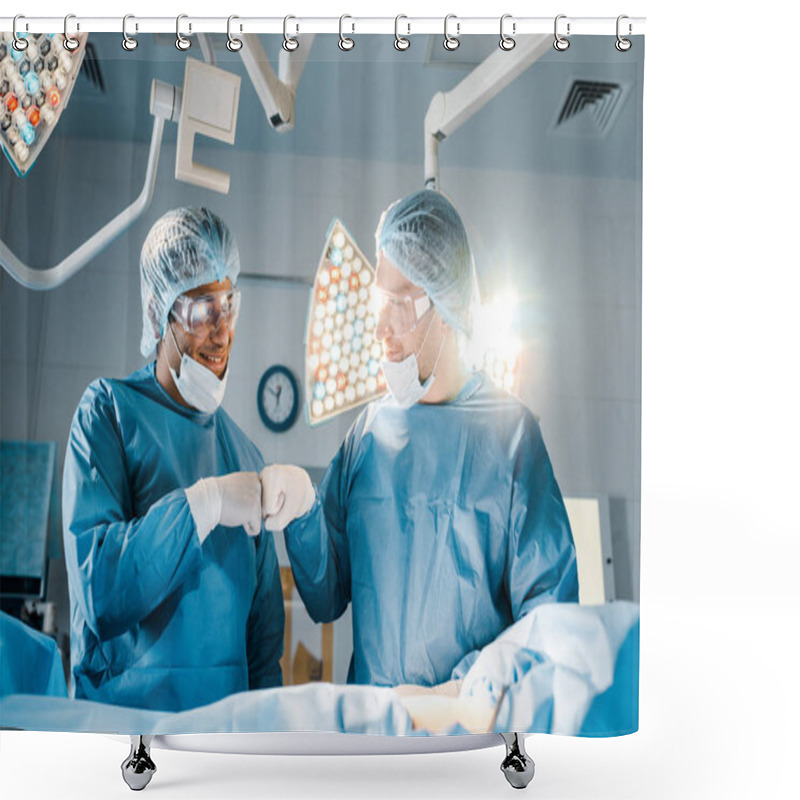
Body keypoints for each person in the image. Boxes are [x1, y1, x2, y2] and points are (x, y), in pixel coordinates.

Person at [260, 189, 578, 688]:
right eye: (378, 304)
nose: (383, 328)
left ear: (446, 306)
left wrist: (472, 687)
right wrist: (302, 514)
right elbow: (324, 598)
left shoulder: (512, 438)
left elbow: (550, 614)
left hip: (470, 733)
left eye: (401, 307)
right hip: (373, 742)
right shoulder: (366, 438)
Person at [62, 207, 284, 712]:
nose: (222, 331)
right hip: (126, 741)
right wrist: (202, 505)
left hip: (222, 752)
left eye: (229, 306)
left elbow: (264, 647)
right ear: (159, 313)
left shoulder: (246, 457)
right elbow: (101, 589)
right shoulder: (109, 415)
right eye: (204, 310)